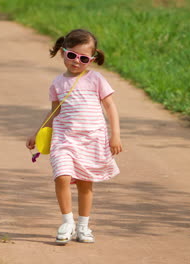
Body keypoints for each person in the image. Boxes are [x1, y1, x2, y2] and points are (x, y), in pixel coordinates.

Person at [26, 29, 122, 244]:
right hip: (64, 139)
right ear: (63, 53)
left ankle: (83, 226)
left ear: (92, 59)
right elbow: (54, 112)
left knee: (85, 184)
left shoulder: (96, 79)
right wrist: (37, 133)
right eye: (72, 56)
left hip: (92, 140)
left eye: (84, 58)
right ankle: (67, 221)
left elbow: (110, 107)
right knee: (62, 176)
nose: (76, 62)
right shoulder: (58, 83)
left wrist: (115, 135)